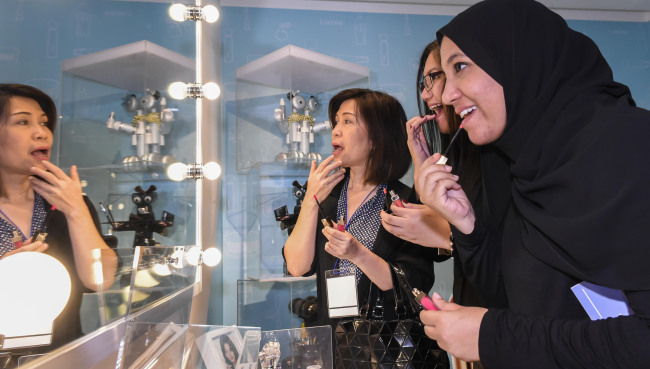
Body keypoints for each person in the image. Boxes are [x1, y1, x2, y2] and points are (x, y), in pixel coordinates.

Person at [414, 0, 650, 367]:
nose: (446, 95)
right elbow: (513, 301)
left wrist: (495, 337)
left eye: (460, 67)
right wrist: (467, 226)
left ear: (519, 60)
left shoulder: (631, 146)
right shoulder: (524, 164)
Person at [283, 88, 438, 366]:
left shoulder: (405, 202)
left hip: (389, 350)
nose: (335, 131)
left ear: (377, 137)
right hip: (333, 346)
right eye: (336, 122)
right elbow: (297, 266)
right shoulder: (326, 195)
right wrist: (311, 201)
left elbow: (414, 284)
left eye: (348, 121)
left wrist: (358, 254)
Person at [0, 84, 117, 355]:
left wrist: (76, 209)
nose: (42, 132)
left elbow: (101, 279)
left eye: (43, 122)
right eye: (22, 122)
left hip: (65, 357)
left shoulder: (69, 204)